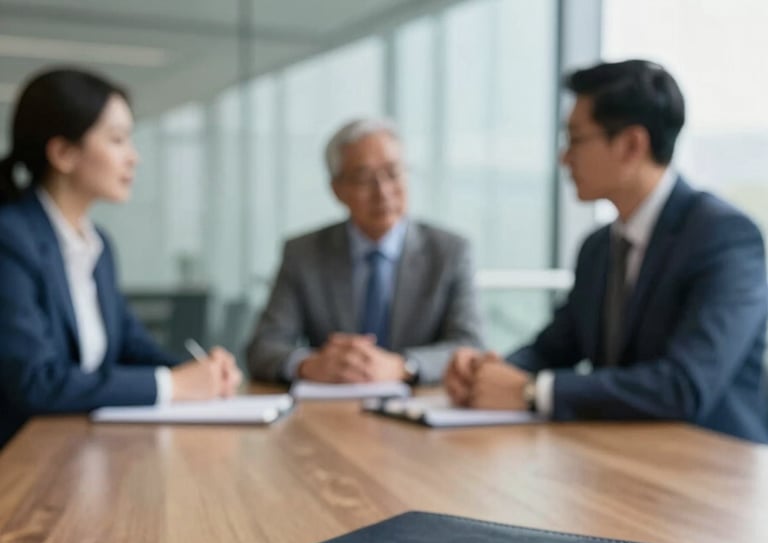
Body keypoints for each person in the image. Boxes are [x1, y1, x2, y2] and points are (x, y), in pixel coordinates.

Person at [444, 59, 768, 443]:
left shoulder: (725, 237)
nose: (564, 158)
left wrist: (533, 393)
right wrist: (485, 373)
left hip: (712, 472)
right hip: (616, 458)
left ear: (632, 144)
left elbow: (684, 385)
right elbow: (554, 348)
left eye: (576, 139)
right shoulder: (598, 247)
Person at [0, 68, 241, 447]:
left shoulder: (98, 245)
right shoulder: (11, 239)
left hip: (81, 449)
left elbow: (129, 345)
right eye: (117, 140)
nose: (134, 158)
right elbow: (35, 381)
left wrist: (194, 370)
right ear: (64, 152)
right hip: (21, 463)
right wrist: (172, 385)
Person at [246, 118, 484, 385]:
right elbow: (263, 346)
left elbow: (470, 345)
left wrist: (403, 366)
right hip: (329, 412)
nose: (382, 191)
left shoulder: (450, 252)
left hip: (421, 410)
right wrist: (310, 365)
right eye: (363, 178)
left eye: (393, 173)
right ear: (337, 190)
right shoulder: (303, 254)